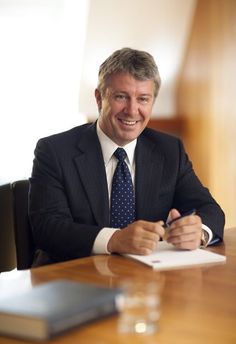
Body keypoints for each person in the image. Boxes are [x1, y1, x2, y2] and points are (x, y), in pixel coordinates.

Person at [29, 47, 225, 266]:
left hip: (146, 283)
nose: (132, 111)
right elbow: (47, 227)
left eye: (143, 99)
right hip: (72, 279)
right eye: (121, 97)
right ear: (99, 97)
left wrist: (199, 231)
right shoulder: (55, 151)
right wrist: (113, 239)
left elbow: (211, 210)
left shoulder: (169, 150)